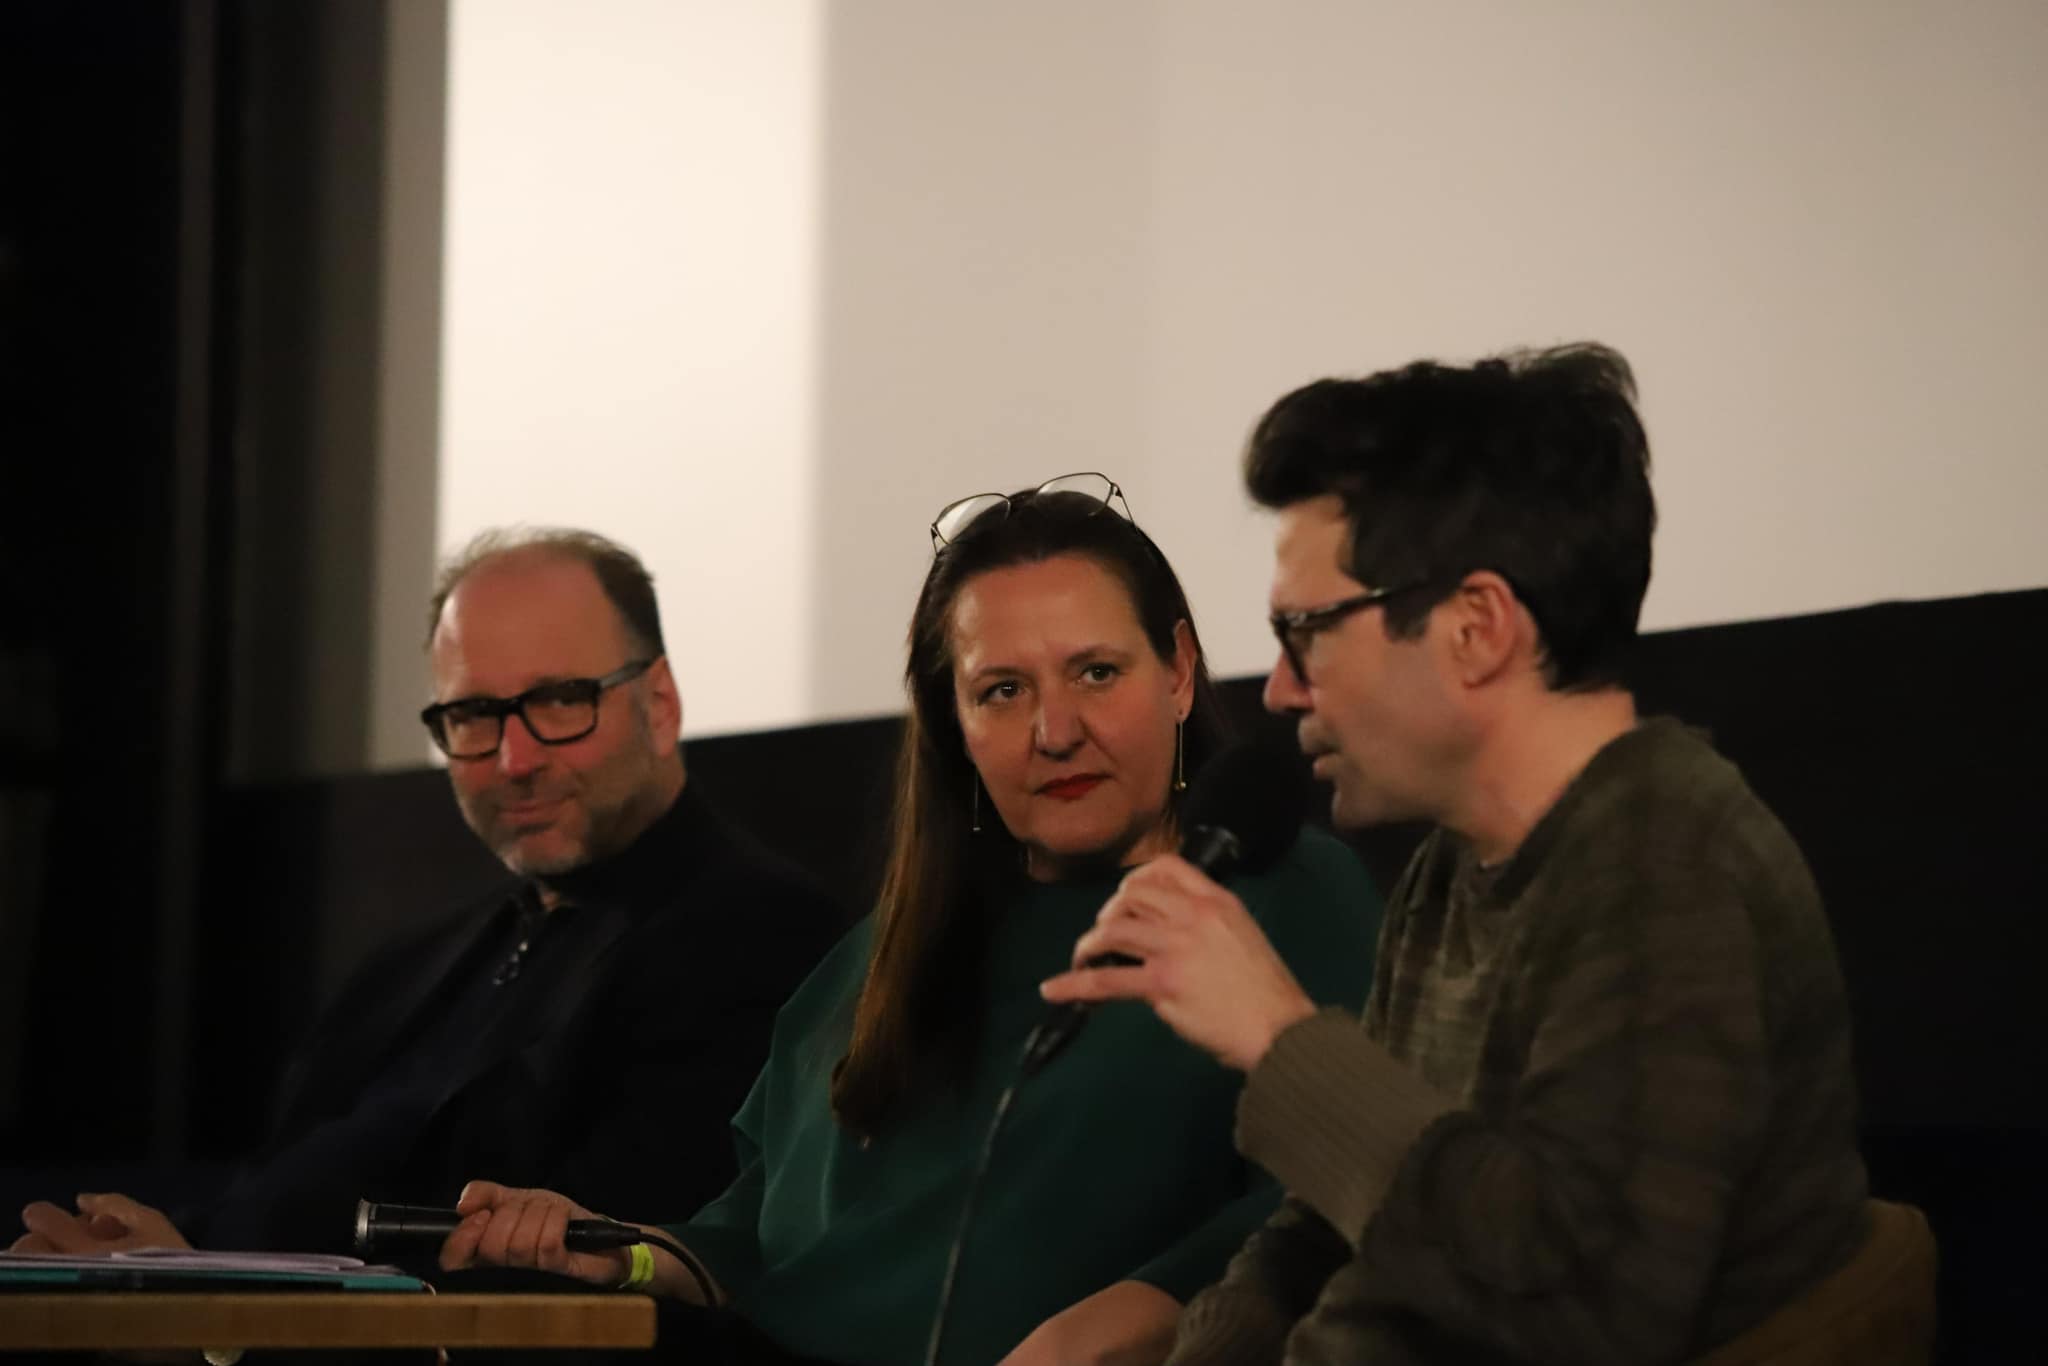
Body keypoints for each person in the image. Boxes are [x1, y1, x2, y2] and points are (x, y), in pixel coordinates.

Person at [1043, 348, 1870, 1364]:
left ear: (1476, 628)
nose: (1281, 690)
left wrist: (1278, 1038)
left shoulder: (1668, 867)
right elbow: (1329, 1228)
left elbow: (1589, 1307)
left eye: (1307, 631)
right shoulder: (1454, 868)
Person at [440, 477, 1383, 1366]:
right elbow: (749, 1251)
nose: (1055, 731)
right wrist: (620, 1253)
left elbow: (1333, 1200)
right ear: (953, 722)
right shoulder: (881, 955)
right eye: (1002, 690)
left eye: (1096, 673)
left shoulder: (1285, 894)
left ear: (1177, 671)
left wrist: (1132, 1317)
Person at [13, 528, 843, 1258]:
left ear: (658, 704)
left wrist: (202, 1301)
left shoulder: (768, 942)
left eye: (561, 701)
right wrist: (157, 1258)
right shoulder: (412, 962)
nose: (515, 760)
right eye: (474, 714)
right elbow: (276, 1187)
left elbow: (610, 1259)